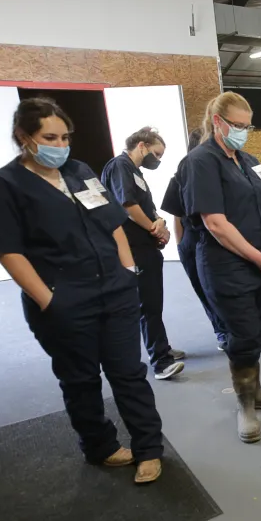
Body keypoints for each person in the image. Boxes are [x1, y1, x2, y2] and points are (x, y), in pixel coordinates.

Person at [0, 97, 165, 484]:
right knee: (80, 380)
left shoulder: (80, 172)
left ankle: (148, 448)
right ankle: (101, 446)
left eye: (65, 138)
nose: (60, 146)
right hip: (64, 300)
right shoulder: (2, 186)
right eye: (50, 137)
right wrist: (49, 300)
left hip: (115, 290)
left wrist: (127, 270)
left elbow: (112, 222)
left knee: (129, 373)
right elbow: (7, 250)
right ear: (23, 137)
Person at [180, 91, 261, 443]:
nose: (243, 131)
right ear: (217, 123)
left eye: (247, 126)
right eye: (237, 125)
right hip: (226, 265)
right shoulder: (201, 161)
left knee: (255, 329)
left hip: (260, 263)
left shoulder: (249, 160)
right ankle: (245, 405)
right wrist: (257, 257)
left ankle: (256, 391)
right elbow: (215, 223)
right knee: (241, 335)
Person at [100, 127, 185, 380]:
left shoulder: (134, 171)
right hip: (133, 248)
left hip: (145, 246)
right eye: (156, 154)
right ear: (142, 146)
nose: (157, 160)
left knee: (153, 302)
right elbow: (127, 206)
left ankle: (162, 347)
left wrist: (158, 221)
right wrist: (153, 228)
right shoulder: (120, 167)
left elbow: (144, 205)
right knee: (147, 304)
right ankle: (160, 361)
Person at [161, 128, 229, 351]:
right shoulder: (183, 175)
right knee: (205, 290)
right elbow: (177, 216)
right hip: (194, 239)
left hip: (222, 238)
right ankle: (222, 332)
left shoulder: (222, 172)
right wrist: (181, 246)